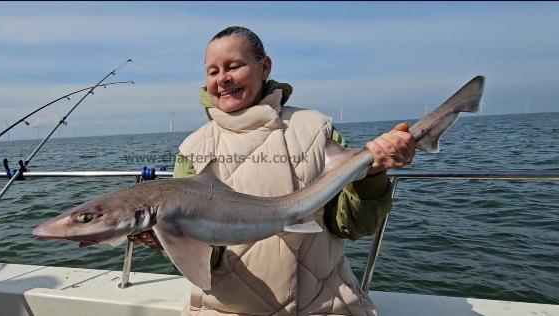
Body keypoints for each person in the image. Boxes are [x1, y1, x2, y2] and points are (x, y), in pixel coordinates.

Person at [130, 26, 415, 315]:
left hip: (324, 305)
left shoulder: (317, 128)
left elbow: (353, 226)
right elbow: (207, 259)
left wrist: (372, 175)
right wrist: (167, 239)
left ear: (264, 67)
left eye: (234, 66)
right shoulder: (193, 150)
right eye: (213, 71)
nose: (222, 79)